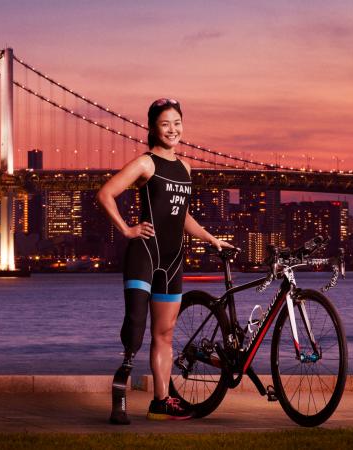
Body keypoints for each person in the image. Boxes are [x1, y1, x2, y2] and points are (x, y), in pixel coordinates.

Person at [97, 98, 234, 423]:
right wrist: (127, 230)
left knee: (166, 334)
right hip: (144, 253)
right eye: (165, 124)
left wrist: (211, 239)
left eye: (177, 123)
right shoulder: (146, 164)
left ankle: (161, 401)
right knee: (136, 326)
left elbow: (182, 215)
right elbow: (105, 194)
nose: (172, 129)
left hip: (173, 259)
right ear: (153, 129)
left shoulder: (185, 168)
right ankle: (121, 387)